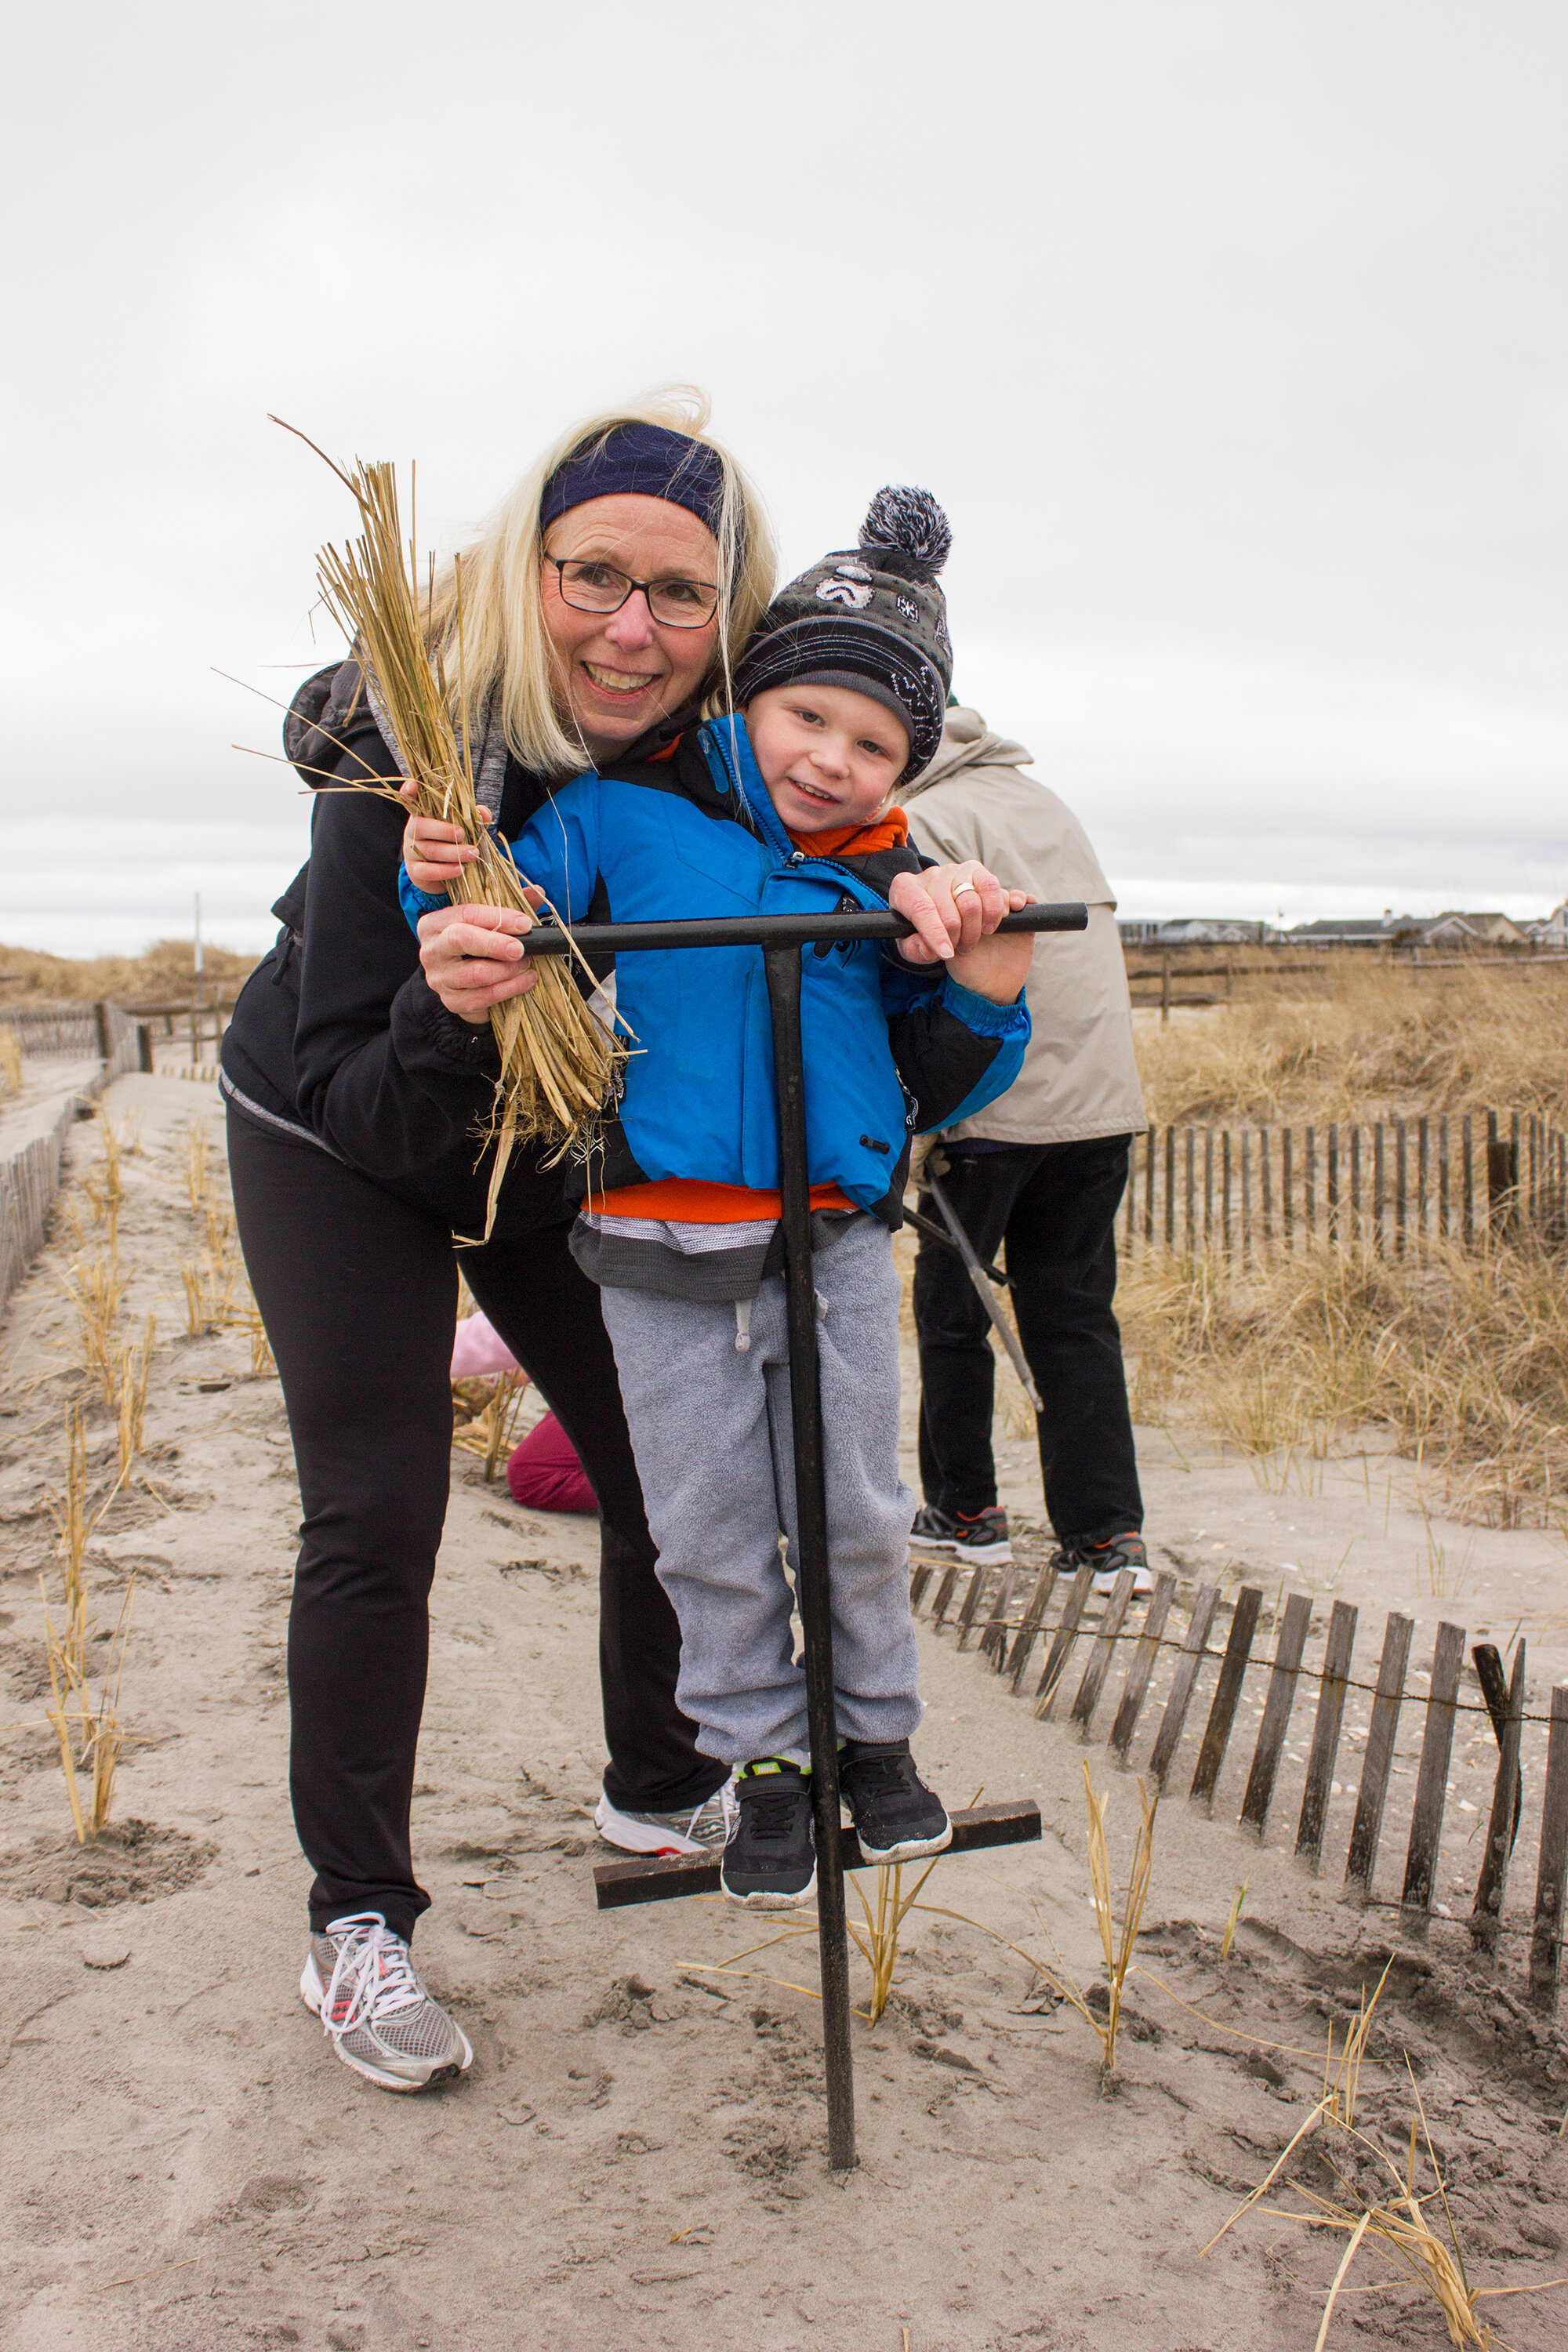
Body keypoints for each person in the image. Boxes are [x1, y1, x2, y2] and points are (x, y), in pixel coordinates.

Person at [220, 395, 996, 2089]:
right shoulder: (403, 771)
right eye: (592, 578)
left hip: (541, 1128)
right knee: (376, 1506)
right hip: (346, 1117)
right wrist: (455, 1003)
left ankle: (663, 1786)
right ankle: (360, 1923)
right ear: (527, 567)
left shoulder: (705, 751)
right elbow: (379, 1108)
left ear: (733, 613)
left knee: (664, 1452)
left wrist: (936, 913)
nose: (631, 631)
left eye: (679, 594)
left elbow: (847, 814)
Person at [401, 489, 1033, 1910]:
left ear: (907, 771)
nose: (833, 760)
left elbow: (947, 1073)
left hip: (832, 1234)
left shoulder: (899, 872)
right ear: (753, 698)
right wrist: (432, 875)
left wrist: (981, 974)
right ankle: (762, 1761)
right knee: (703, 1521)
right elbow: (488, 911)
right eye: (810, 717)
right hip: (653, 1237)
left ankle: (873, 1741)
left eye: (876, 746)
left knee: (855, 1508)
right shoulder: (622, 813)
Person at [902, 704, 1152, 1598]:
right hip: (1097, 1110)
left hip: (991, 1115)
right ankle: (1106, 1537)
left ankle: (963, 1513)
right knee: (1076, 1316)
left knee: (952, 1313)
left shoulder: (927, 817)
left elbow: (922, 969)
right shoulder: (1040, 801)